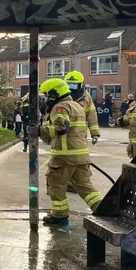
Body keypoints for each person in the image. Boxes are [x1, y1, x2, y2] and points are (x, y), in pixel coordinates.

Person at [30, 78, 104, 227]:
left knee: (55, 183)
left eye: (46, 95)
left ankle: (59, 216)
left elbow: (61, 128)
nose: (45, 98)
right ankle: (103, 210)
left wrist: (39, 131)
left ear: (54, 93)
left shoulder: (60, 107)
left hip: (65, 157)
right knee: (85, 187)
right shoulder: (76, 105)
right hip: (81, 156)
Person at [64, 70, 100, 144]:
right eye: (69, 83)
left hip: (80, 135)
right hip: (64, 134)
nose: (71, 85)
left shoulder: (86, 97)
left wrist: (95, 133)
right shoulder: (62, 96)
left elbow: (92, 116)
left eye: (74, 83)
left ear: (80, 84)